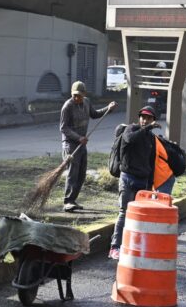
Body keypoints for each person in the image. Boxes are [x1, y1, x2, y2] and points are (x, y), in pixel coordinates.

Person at [108, 105, 171, 260]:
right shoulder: (131, 129)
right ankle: (114, 247)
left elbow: (150, 162)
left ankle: (133, 246)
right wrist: (145, 129)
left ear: (153, 119)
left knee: (138, 216)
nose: (145, 120)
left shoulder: (151, 139)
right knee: (124, 212)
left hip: (143, 182)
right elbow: (130, 139)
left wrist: (150, 186)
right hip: (127, 178)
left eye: (148, 118)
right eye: (143, 117)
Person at [60, 81, 116, 213]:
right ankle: (67, 201)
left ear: (84, 94)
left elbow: (95, 114)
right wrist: (78, 138)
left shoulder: (86, 102)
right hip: (70, 144)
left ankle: (73, 200)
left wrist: (108, 108)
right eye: (74, 95)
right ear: (71, 94)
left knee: (81, 173)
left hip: (82, 143)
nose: (77, 98)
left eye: (79, 95)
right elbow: (63, 128)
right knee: (72, 173)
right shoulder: (67, 107)